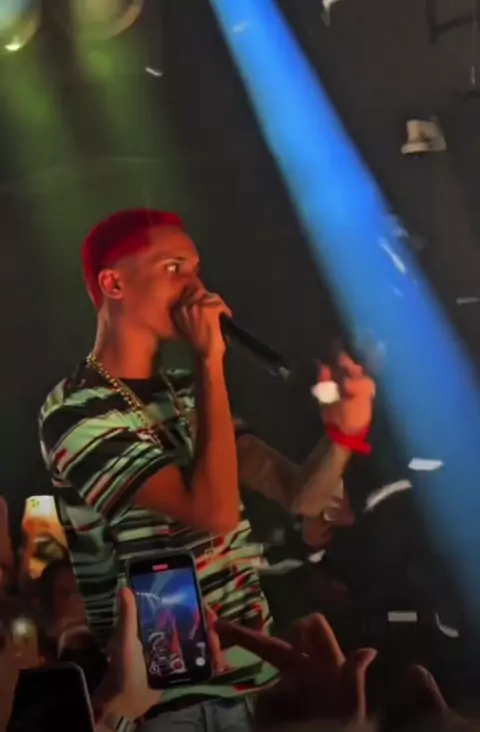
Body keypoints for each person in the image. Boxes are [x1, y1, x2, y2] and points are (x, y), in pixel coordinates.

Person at [38, 209, 375, 730]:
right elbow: (213, 514)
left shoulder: (186, 391)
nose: (197, 289)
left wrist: (343, 437)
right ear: (113, 284)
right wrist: (210, 362)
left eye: (196, 269)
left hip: (257, 681)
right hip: (163, 698)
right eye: (174, 268)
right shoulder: (76, 410)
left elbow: (302, 497)